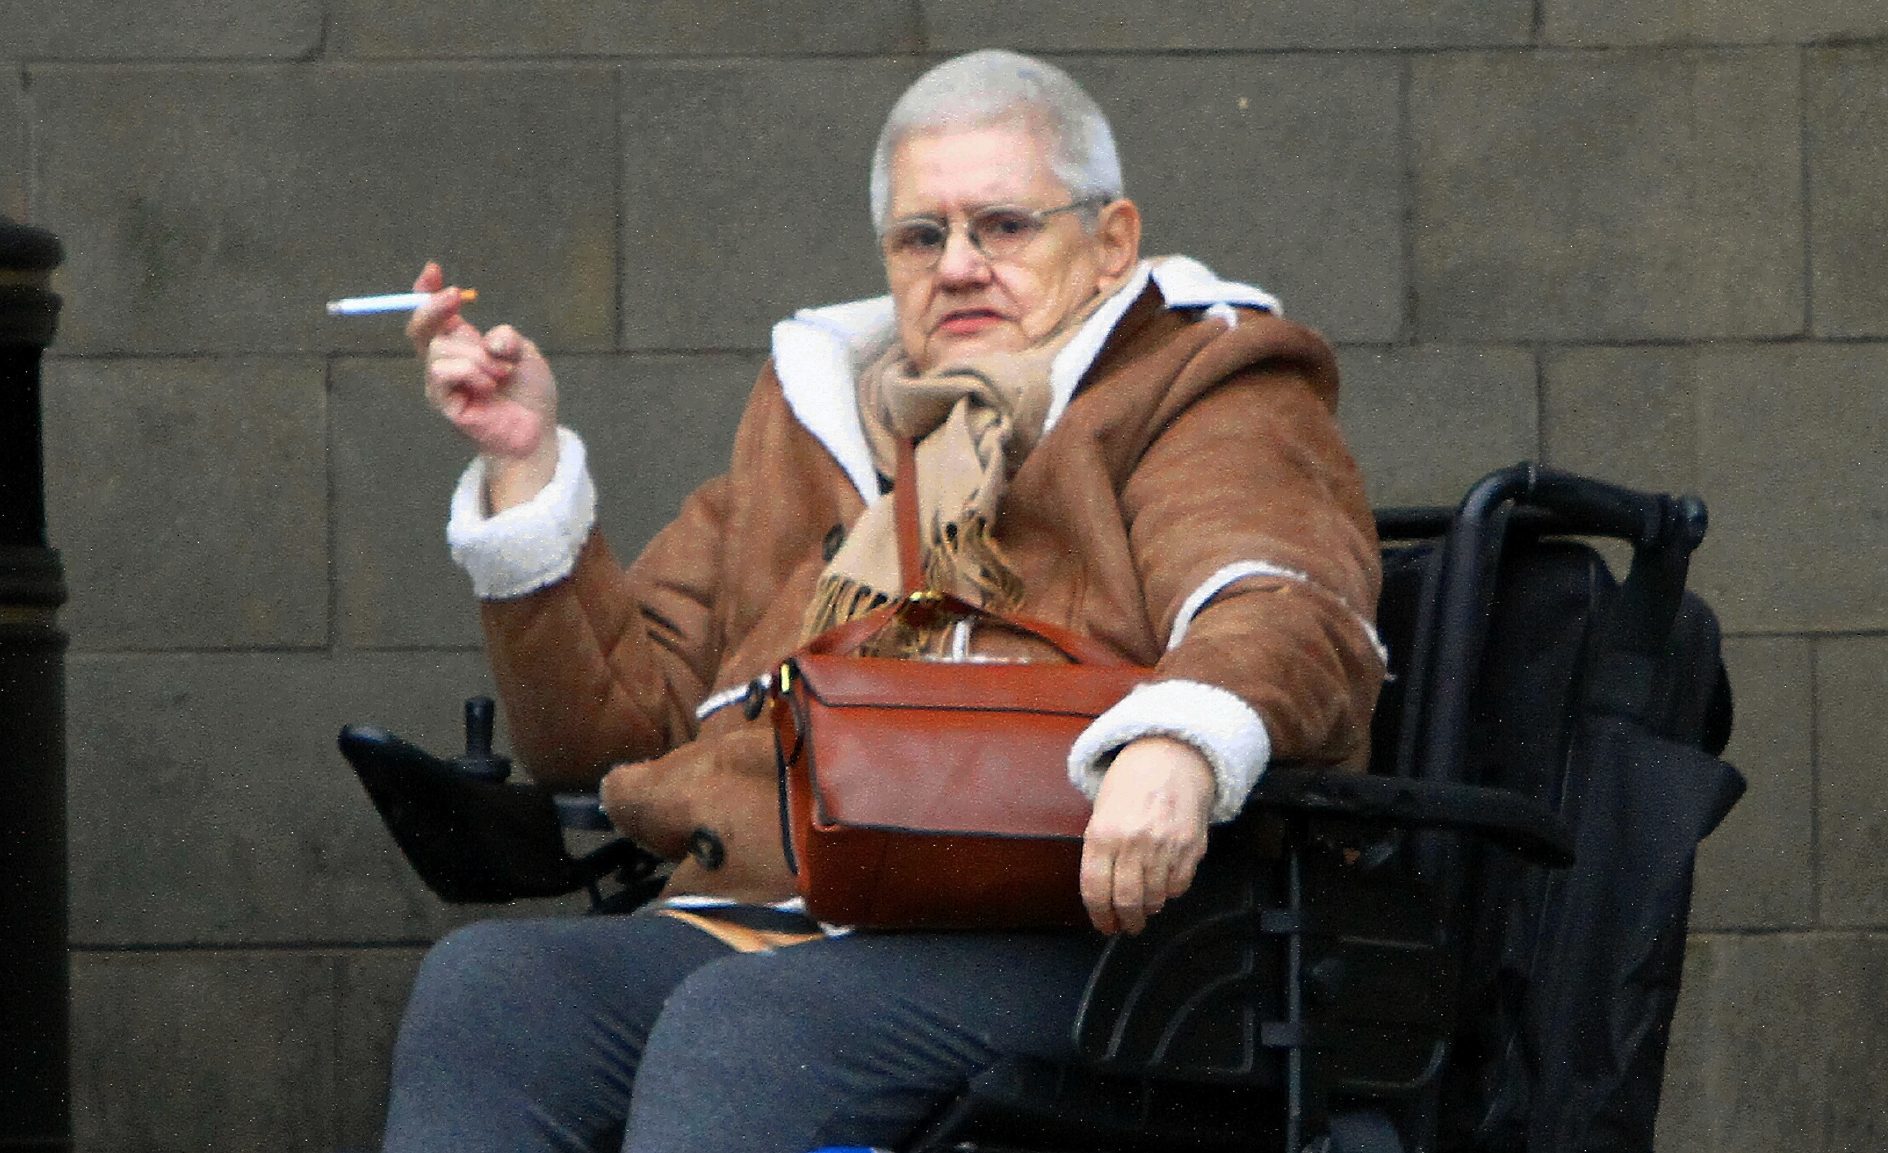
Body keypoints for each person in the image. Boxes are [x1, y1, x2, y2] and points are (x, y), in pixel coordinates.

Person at [381, 49, 1384, 1153]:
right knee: (493, 988)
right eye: (922, 236)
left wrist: (1183, 740)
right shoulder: (812, 417)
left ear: (1109, 243)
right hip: (783, 909)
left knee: (752, 1030)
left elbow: (1285, 606)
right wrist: (524, 470)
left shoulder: (1202, 384)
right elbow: (611, 730)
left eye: (1002, 225)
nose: (957, 264)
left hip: (1081, 928)